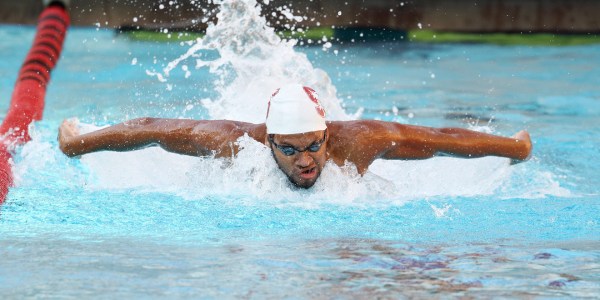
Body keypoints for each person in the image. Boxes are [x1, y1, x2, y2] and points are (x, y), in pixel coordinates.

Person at [59, 84, 531, 189]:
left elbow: (439, 138)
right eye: (290, 150)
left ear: (326, 134)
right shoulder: (232, 142)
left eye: (314, 146)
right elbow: (150, 130)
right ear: (268, 143)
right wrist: (75, 143)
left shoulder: (358, 141)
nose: (306, 161)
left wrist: (516, 147)